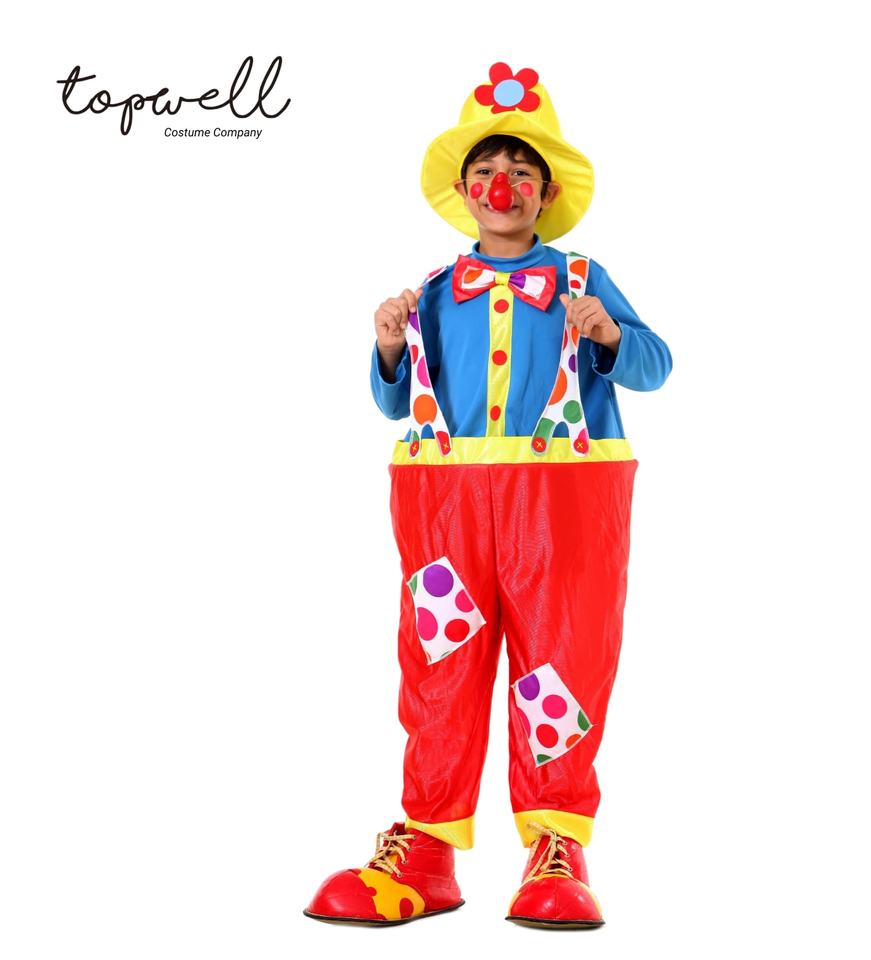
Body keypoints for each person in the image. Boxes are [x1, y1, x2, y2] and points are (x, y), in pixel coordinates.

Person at [304, 60, 672, 929]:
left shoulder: (582, 278)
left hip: (565, 504)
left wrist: (610, 335)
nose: (501, 185)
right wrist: (388, 347)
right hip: (446, 509)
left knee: (560, 663)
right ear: (464, 191)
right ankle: (428, 847)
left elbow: (656, 366)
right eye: (485, 171)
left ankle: (556, 845)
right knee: (441, 667)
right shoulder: (434, 293)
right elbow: (396, 403)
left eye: (519, 172)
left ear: (546, 192)